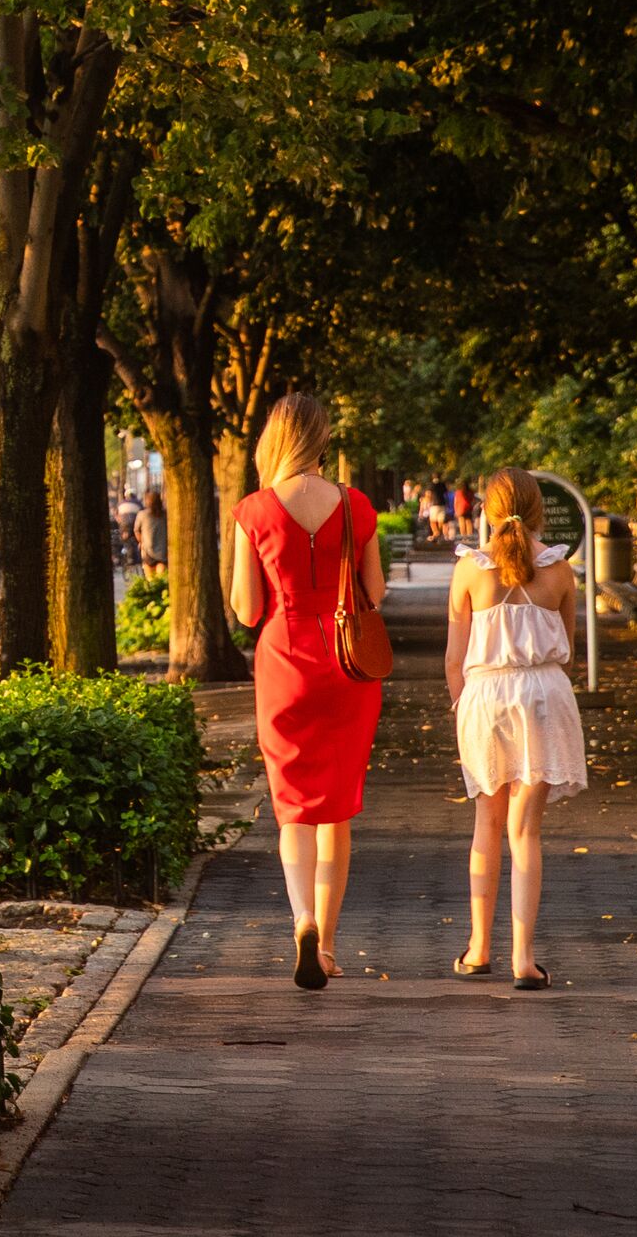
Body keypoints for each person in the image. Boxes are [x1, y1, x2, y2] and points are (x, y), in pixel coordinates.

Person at [225, 393, 385, 990]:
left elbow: (246, 609)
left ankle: (301, 920)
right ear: (322, 438)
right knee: (337, 809)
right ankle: (330, 943)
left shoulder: (254, 510)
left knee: (293, 806)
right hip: (346, 666)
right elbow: (375, 591)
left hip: (284, 659)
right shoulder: (356, 504)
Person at [446, 466, 588, 988]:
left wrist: (462, 705)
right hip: (544, 693)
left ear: (485, 509)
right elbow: (568, 650)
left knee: (487, 823)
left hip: (485, 696)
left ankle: (479, 948)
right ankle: (523, 960)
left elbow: (453, 658)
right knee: (525, 831)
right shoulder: (560, 571)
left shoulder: (469, 571)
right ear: (537, 510)